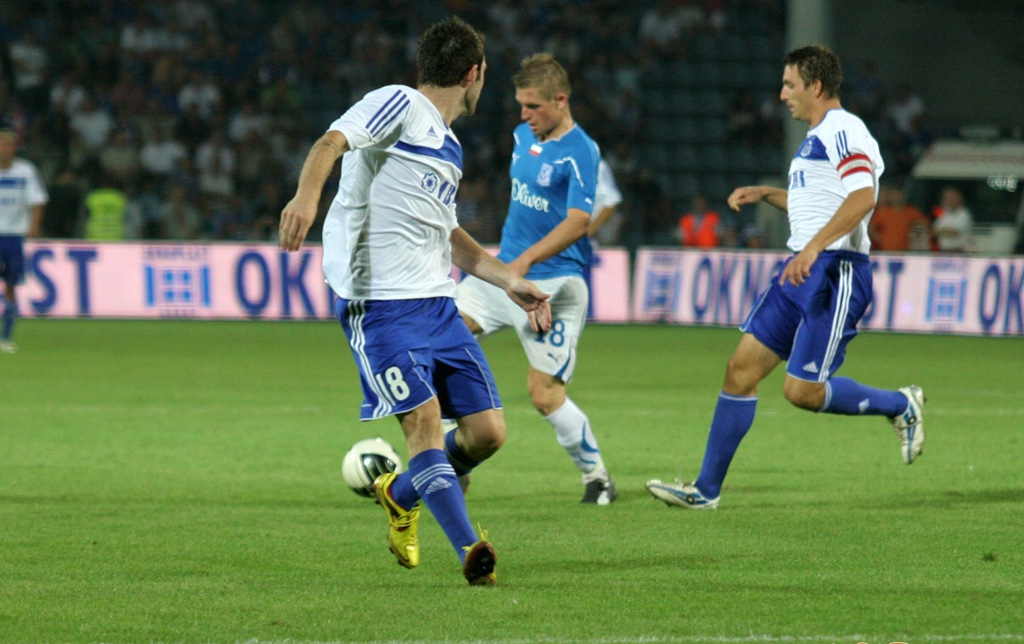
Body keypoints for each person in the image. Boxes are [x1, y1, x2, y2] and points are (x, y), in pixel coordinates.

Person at [278, 17, 551, 586]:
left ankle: (400, 494)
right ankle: (470, 550)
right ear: (474, 74)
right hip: (380, 308)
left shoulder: (448, 148)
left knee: (487, 434)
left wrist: (507, 281)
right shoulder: (397, 104)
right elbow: (332, 140)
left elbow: (447, 234)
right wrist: (307, 195)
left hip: (437, 306)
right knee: (424, 424)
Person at [646, 45, 925, 510]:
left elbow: (862, 197)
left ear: (815, 86)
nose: (781, 95)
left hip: (836, 272)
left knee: (803, 392)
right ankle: (705, 491)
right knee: (740, 371)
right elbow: (819, 200)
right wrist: (767, 193)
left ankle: (899, 404)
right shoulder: (816, 137)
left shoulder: (844, 129)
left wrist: (815, 247)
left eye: (790, 85)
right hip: (800, 269)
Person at [455, 54, 617, 505]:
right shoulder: (522, 136)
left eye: (533, 107)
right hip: (504, 274)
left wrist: (523, 262)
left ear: (560, 101)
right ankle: (454, 461)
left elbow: (578, 222)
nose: (523, 116)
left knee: (544, 395)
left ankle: (598, 478)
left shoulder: (581, 151)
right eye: (521, 106)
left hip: (555, 286)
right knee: (435, 339)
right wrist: (511, 266)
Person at [0, 127, 47, 352]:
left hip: (14, 236)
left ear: (14, 148)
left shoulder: (25, 171)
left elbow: (37, 200)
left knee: (11, 286)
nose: (2, 148)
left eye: (6, 144)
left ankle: (6, 337)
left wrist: (34, 226)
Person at [869, 184, 930, 251]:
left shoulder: (910, 211)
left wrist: (915, 235)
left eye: (898, 195)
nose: (896, 197)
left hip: (905, 250)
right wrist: (880, 239)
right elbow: (871, 227)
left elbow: (924, 224)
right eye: (894, 195)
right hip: (886, 250)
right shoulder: (883, 212)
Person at [931, 185, 972, 252]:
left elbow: (953, 233)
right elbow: (934, 231)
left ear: (958, 198)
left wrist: (941, 231)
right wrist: (945, 231)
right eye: (946, 197)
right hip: (943, 251)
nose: (947, 200)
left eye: (950, 197)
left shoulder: (964, 214)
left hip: (959, 251)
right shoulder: (944, 213)